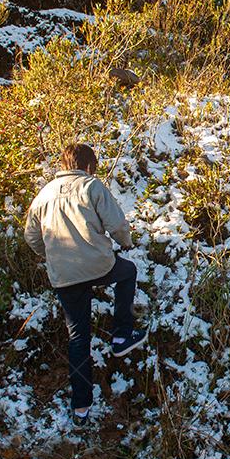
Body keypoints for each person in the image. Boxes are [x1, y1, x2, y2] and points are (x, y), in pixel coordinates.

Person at [24, 142, 147, 426]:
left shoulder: (44, 194)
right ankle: (121, 336)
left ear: (64, 164)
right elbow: (117, 224)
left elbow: (31, 236)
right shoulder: (92, 186)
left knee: (78, 337)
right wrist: (126, 243)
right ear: (90, 166)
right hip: (97, 265)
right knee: (127, 272)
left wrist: (52, 255)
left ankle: (81, 407)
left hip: (63, 275)